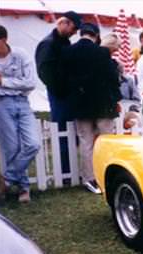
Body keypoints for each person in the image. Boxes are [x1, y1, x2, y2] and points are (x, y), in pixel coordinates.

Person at [62, 22, 121, 194]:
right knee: (106, 141)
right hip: (103, 103)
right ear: (95, 35)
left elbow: (64, 79)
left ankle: (89, 179)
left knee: (86, 142)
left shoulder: (68, 52)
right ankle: (107, 175)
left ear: (81, 33)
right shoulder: (102, 52)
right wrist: (116, 98)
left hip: (80, 104)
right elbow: (112, 78)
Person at [0, 24, 40, 203]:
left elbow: (30, 82)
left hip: (22, 102)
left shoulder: (20, 54)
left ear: (4, 39)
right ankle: (23, 189)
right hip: (1, 104)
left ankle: (5, 180)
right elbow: (23, 81)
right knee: (11, 148)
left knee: (33, 144)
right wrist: (14, 82)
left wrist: (3, 81)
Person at [35, 10, 80, 174]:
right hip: (59, 95)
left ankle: (72, 169)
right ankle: (65, 171)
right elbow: (44, 72)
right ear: (64, 23)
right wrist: (60, 90)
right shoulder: (48, 44)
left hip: (69, 94)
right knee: (62, 133)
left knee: (71, 134)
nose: (74, 33)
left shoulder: (64, 42)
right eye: (73, 29)